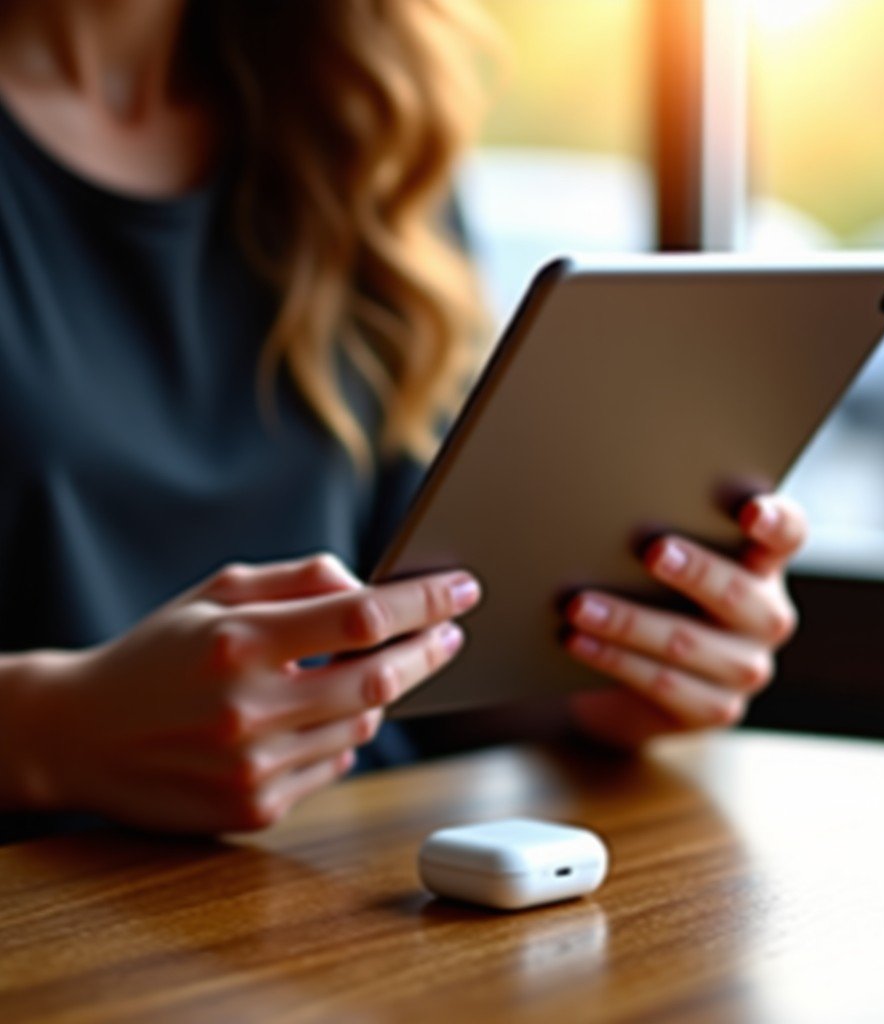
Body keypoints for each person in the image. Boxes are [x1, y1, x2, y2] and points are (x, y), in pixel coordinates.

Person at [0, 0, 806, 840]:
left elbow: (420, 627)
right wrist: (46, 732)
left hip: (359, 901)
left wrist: (584, 680)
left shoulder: (362, 121)